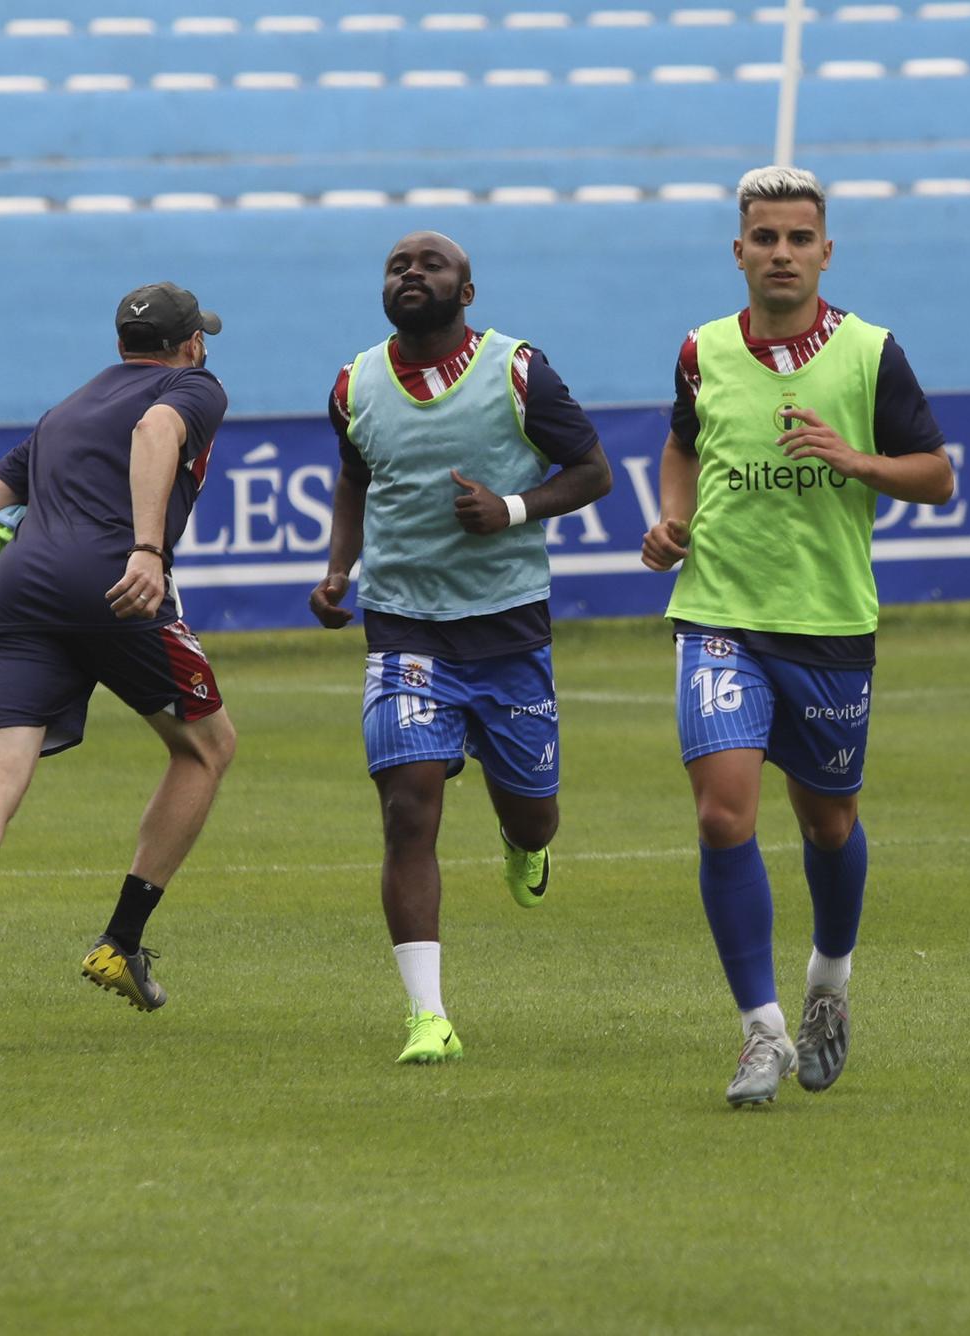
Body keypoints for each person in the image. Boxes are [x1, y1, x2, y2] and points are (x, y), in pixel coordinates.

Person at [640, 167, 954, 1107]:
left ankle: (829, 984)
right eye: (764, 239)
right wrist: (671, 518)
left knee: (829, 822)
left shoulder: (870, 352)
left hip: (828, 623)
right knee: (723, 814)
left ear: (825, 251)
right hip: (718, 615)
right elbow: (685, 444)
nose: (781, 253)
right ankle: (761, 1032)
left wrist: (857, 460)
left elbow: (937, 476)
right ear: (738, 251)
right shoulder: (701, 351)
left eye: (798, 239)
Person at [311, 231, 611, 1063]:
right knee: (409, 808)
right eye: (397, 265)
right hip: (404, 627)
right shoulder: (354, 384)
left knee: (533, 810)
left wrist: (512, 509)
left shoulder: (519, 371)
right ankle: (428, 1017)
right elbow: (354, 478)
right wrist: (339, 570)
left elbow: (593, 471)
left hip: (509, 629)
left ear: (466, 291)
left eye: (430, 264)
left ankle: (526, 846)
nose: (411, 273)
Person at [0, 282, 237, 1050]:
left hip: (22, 586)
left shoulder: (64, 409)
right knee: (207, 747)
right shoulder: (191, 387)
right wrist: (147, 550)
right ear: (190, 342)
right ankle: (121, 942)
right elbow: (159, 429)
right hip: (114, 580)